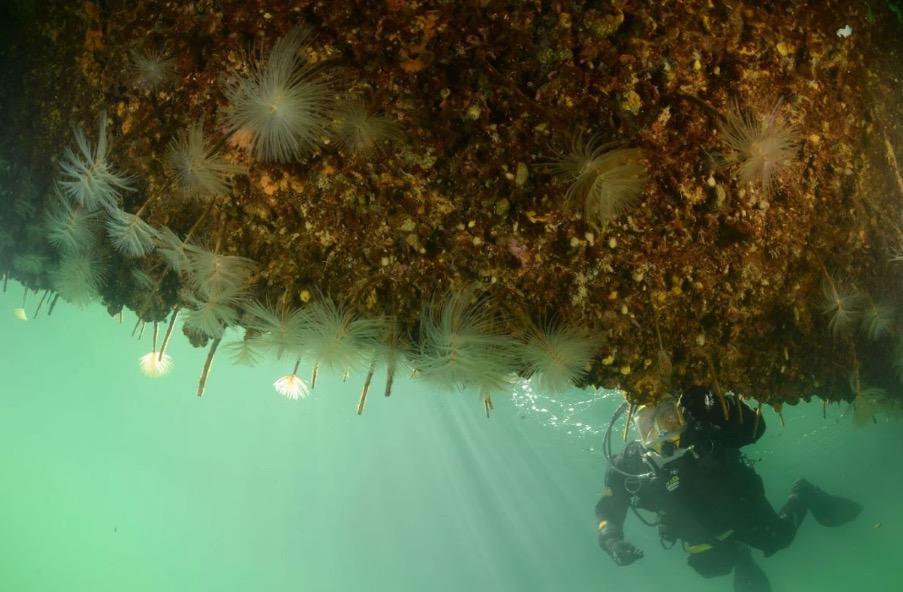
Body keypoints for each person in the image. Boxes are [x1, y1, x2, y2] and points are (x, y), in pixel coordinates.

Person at [595, 387, 863, 592]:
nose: (663, 432)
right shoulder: (628, 466)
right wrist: (611, 541)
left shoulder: (702, 426)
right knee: (710, 568)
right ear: (635, 432)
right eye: (647, 425)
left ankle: (802, 492)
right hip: (700, 530)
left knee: (779, 539)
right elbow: (608, 508)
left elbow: (755, 429)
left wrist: (713, 405)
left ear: (680, 413)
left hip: (739, 506)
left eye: (668, 417)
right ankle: (741, 557)